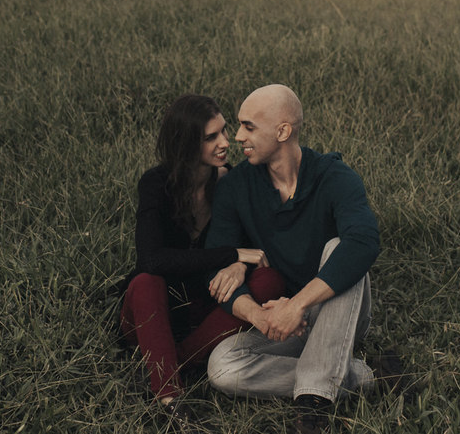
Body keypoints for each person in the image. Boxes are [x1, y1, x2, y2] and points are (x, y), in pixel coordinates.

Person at [204, 84, 399, 434]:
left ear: (282, 131)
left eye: (249, 126)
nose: (237, 137)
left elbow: (364, 242)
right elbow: (216, 262)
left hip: (337, 310)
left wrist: (297, 304)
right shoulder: (236, 186)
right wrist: (262, 318)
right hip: (284, 321)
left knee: (339, 246)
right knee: (222, 367)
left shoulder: (334, 176)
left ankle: (313, 405)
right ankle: (367, 375)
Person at [119, 94, 285, 430]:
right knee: (146, 280)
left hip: (205, 308)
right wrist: (231, 254)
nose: (226, 142)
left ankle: (171, 360)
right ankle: (171, 401)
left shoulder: (231, 180)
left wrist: (240, 264)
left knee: (271, 279)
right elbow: (152, 259)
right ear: (185, 144)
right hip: (153, 308)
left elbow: (259, 247)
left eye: (225, 131)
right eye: (211, 137)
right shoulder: (155, 184)